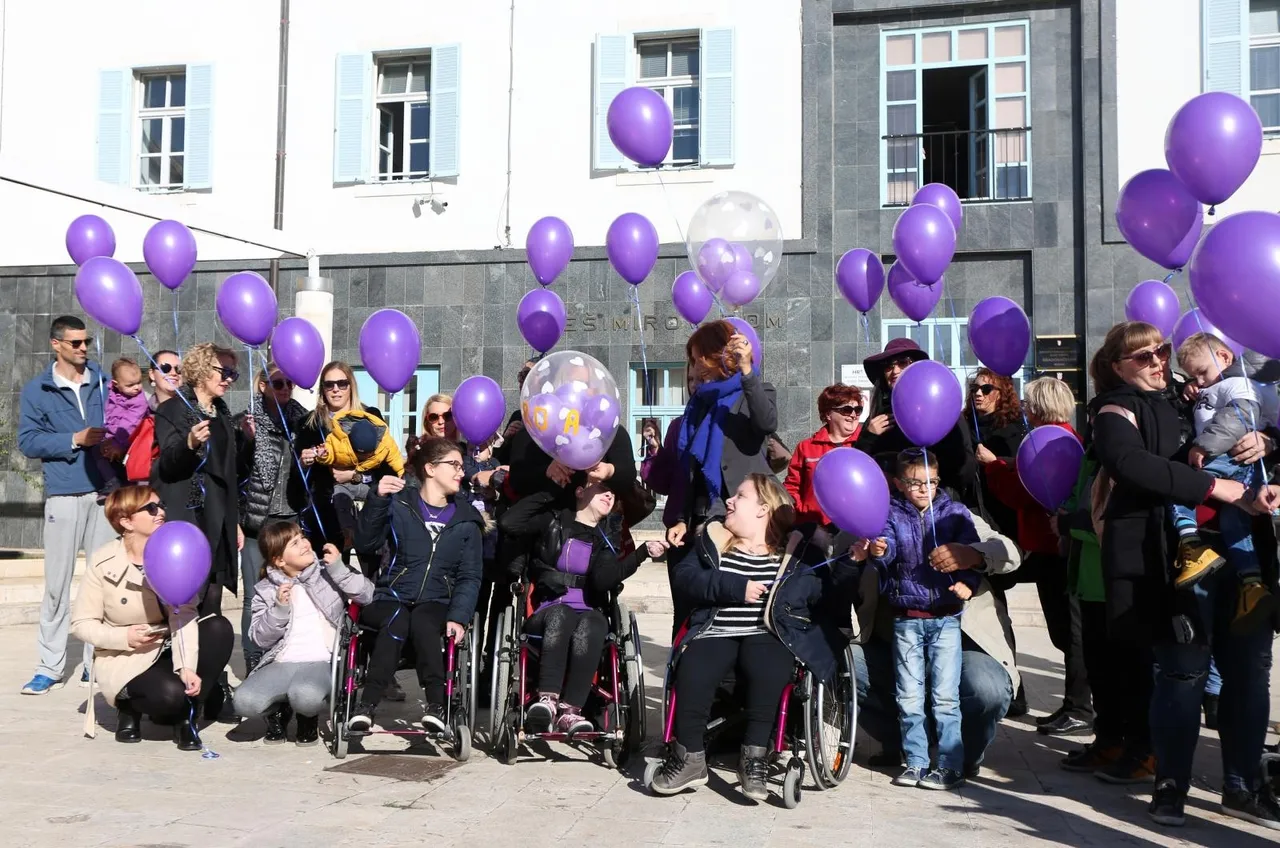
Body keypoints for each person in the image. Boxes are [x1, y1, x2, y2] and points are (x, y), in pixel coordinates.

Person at [1086, 322, 1271, 827]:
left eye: (1160, 351)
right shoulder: (1114, 409)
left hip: (1244, 551)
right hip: (1177, 561)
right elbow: (1131, 463)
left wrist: (1264, 442)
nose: (1156, 361)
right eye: (1142, 356)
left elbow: (1247, 415)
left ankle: (1243, 786)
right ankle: (1170, 786)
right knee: (1184, 673)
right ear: (1117, 366)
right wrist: (1217, 488)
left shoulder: (1194, 393)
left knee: (1250, 672)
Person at [651, 473, 858, 801]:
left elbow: (827, 598)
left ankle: (755, 758)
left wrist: (851, 564)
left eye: (740, 496)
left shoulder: (799, 554)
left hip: (771, 632)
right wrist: (734, 588)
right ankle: (689, 757)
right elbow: (684, 579)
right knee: (693, 668)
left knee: (769, 666)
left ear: (763, 509)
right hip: (716, 628)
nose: (729, 502)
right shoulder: (712, 542)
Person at [848, 511, 1022, 778]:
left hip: (961, 643)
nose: (917, 489)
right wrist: (858, 558)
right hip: (896, 644)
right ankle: (903, 744)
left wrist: (971, 554)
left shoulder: (951, 513)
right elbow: (831, 558)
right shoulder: (867, 517)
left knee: (986, 688)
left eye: (926, 482)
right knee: (845, 661)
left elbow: (1009, 552)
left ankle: (963, 753)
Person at [70, 486, 234, 749]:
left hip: (168, 644)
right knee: (169, 696)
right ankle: (128, 704)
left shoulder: (176, 549)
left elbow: (185, 613)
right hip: (127, 656)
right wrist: (123, 636)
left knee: (218, 629)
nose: (160, 512)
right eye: (150, 508)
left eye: (160, 505)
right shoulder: (103, 562)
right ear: (126, 522)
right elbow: (81, 623)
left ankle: (186, 718)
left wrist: (187, 666)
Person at [858, 448, 981, 790]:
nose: (925, 489)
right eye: (915, 483)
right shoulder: (890, 515)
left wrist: (966, 584)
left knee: (945, 697)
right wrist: (881, 553)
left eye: (932, 482)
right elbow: (888, 552)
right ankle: (915, 761)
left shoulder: (955, 513)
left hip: (946, 620)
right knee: (909, 695)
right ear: (898, 484)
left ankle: (950, 765)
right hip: (906, 620)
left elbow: (972, 556)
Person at [349, 437, 484, 733]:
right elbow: (366, 543)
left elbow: (470, 576)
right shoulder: (399, 504)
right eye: (455, 465)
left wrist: (459, 617)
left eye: (462, 466)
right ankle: (366, 705)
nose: (462, 472)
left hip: (437, 600)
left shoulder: (467, 520)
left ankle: (437, 705)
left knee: (423, 620)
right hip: (392, 594)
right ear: (431, 468)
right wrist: (377, 500)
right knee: (398, 619)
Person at [983, 376, 1093, 738]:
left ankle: (1080, 707)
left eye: (1030, 403)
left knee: (1071, 631)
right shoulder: (1064, 438)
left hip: (1056, 547)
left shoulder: (1049, 441)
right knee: (1066, 631)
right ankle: (1076, 704)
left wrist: (992, 466)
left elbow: (1022, 490)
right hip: (1052, 546)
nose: (1025, 409)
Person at [18, 315, 117, 694]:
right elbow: (28, 442)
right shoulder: (37, 390)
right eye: (75, 343)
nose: (83, 349)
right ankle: (49, 666)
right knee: (57, 584)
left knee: (103, 581)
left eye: (86, 342)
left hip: (105, 494)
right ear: (55, 344)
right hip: (63, 494)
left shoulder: (104, 383)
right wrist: (74, 439)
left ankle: (98, 660)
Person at [521, 482, 666, 736]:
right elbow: (510, 523)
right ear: (580, 491)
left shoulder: (605, 536)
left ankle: (571, 711)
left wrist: (641, 553)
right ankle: (547, 701)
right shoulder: (553, 521)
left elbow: (602, 581)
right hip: (548, 609)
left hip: (587, 611)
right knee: (562, 614)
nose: (610, 494)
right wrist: (549, 490)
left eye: (613, 491)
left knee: (594, 622)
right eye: (602, 488)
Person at [1168, 332, 1277, 630]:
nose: (1200, 381)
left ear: (1226, 358)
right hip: (1238, 469)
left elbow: (1239, 415)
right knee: (1235, 522)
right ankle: (1252, 583)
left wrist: (1203, 446)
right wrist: (1192, 390)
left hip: (1226, 458)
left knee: (1182, 486)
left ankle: (1190, 544)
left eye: (1202, 372)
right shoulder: (1211, 386)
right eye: (1193, 376)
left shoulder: (1236, 384)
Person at [234, 522, 374, 745]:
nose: (305, 544)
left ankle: (306, 718)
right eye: (295, 542)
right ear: (280, 560)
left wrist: (339, 568)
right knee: (244, 701)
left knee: (305, 695)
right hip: (282, 661)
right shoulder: (266, 589)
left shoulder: (327, 573)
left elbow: (367, 594)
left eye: (302, 537)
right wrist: (279, 609)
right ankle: (279, 710)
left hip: (321, 659)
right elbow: (259, 639)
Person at [152, 343, 251, 619]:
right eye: (224, 371)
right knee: (183, 604)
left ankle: (209, 660)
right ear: (203, 368)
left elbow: (228, 472)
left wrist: (235, 522)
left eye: (234, 373)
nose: (229, 378)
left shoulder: (222, 414)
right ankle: (183, 660)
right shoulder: (173, 408)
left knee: (212, 601)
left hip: (218, 520)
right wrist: (189, 442)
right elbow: (168, 464)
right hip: (187, 517)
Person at [667, 320, 778, 552]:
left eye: (701, 358)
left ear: (717, 355)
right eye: (694, 360)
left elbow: (766, 423)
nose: (697, 366)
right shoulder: (699, 403)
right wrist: (680, 517)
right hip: (702, 512)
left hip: (745, 513)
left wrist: (746, 370)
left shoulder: (756, 389)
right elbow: (690, 468)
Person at [235, 363, 309, 673]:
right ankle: (253, 661)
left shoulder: (303, 423)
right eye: (278, 383)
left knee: (291, 593)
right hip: (257, 521)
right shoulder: (244, 421)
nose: (285, 389)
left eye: (289, 383)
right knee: (255, 595)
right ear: (262, 385)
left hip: (290, 518)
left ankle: (284, 656)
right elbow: (236, 472)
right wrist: (248, 440)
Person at [855, 338, 976, 499]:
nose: (895, 371)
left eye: (903, 363)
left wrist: (925, 479)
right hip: (891, 509)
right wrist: (868, 437)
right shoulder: (880, 416)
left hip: (938, 507)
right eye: (888, 366)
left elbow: (965, 469)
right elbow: (858, 467)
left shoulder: (943, 409)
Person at [297, 361, 383, 552]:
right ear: (323, 389)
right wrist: (304, 462)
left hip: (368, 510)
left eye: (342, 383)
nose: (336, 390)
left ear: (351, 386)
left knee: (369, 577)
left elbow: (384, 467)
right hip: (325, 516)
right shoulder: (309, 423)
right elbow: (298, 478)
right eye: (329, 384)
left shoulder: (370, 417)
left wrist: (354, 475)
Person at [313, 408, 405, 552]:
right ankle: (348, 533)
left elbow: (396, 462)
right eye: (360, 455)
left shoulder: (386, 444)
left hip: (368, 485)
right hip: (343, 486)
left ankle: (366, 531)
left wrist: (403, 475)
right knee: (340, 498)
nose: (363, 459)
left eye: (368, 455)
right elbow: (330, 453)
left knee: (376, 498)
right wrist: (323, 455)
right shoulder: (339, 440)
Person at [785, 383, 864, 526]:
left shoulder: (865, 444)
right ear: (828, 414)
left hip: (855, 527)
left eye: (858, 410)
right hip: (814, 528)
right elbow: (792, 486)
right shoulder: (806, 447)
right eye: (847, 409)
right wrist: (801, 515)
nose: (853, 415)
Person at [969, 368, 1027, 537]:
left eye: (986, 389)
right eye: (974, 389)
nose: (978, 394)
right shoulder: (966, 424)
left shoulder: (1016, 427)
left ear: (1002, 394)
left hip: (1006, 510)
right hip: (974, 506)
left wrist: (995, 461)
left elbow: (1022, 467)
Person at [122, 350, 182, 486]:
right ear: (152, 374)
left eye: (178, 369)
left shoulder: (191, 409)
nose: (173, 373)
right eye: (165, 368)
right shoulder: (139, 409)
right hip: (148, 485)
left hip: (179, 485)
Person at [97, 357, 150, 497]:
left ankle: (117, 483)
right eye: (130, 385)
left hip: (128, 439)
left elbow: (130, 423)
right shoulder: (110, 392)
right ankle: (112, 481)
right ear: (116, 384)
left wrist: (117, 442)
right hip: (112, 435)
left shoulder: (139, 400)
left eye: (139, 382)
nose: (137, 387)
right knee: (97, 452)